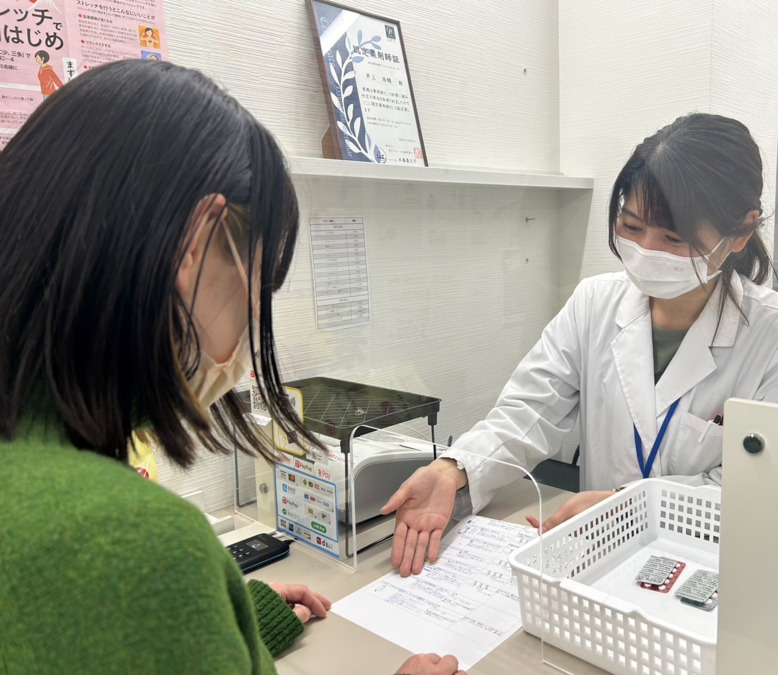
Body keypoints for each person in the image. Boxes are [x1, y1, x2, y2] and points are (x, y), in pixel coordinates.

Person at [0, 60, 463, 675]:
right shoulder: (130, 544)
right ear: (196, 245)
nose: (252, 332)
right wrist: (186, 597)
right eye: (260, 286)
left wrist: (220, 620)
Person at [382, 113, 778, 577]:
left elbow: (757, 498)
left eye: (674, 238)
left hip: (707, 572)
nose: (646, 251)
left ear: (740, 232)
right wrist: (455, 470)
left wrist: (626, 509)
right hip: (592, 562)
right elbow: (528, 412)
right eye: (632, 226)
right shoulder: (594, 303)